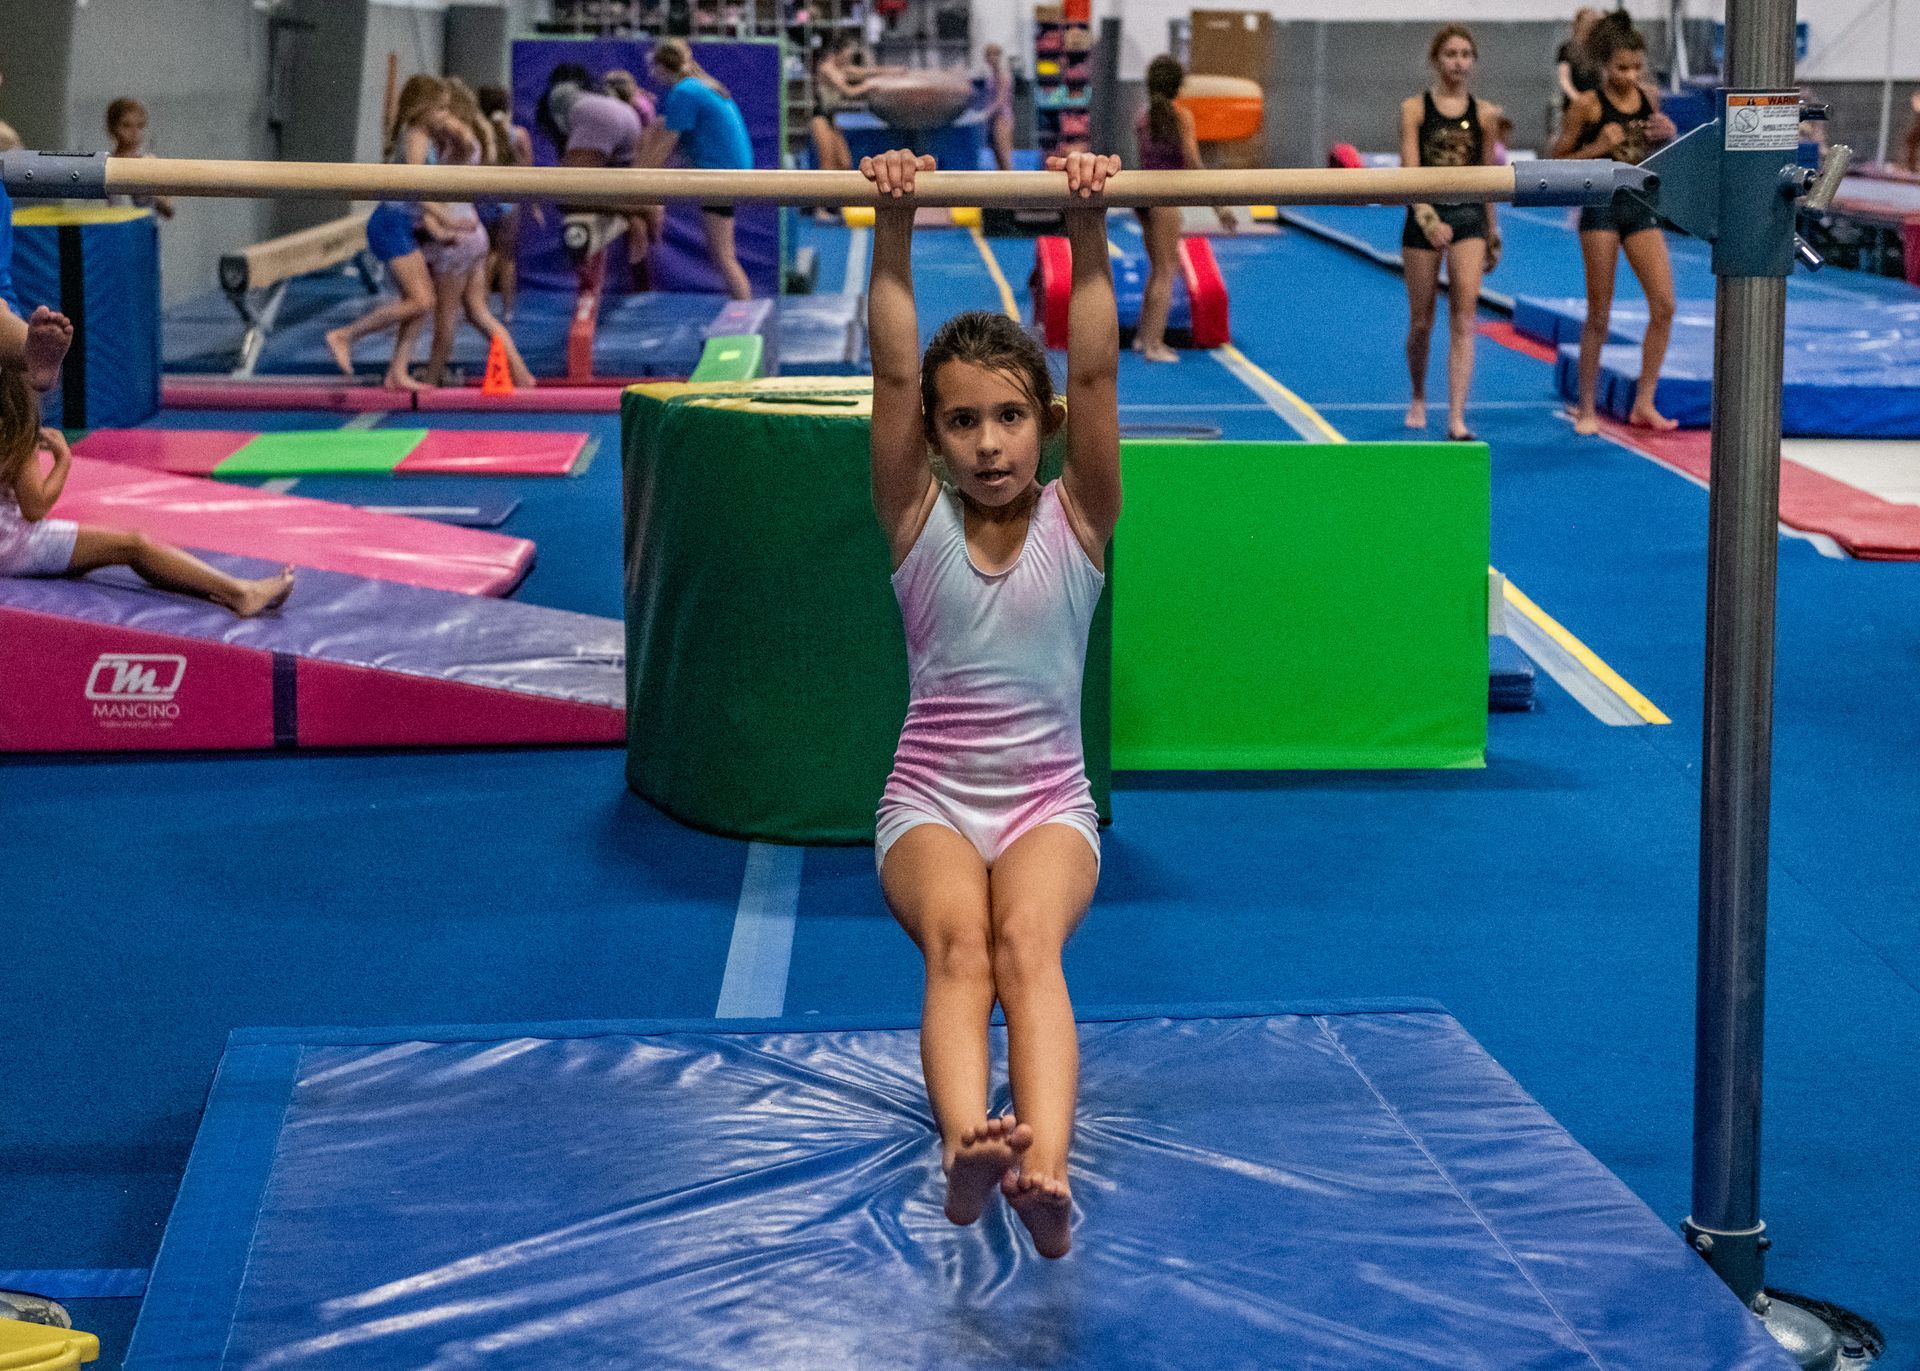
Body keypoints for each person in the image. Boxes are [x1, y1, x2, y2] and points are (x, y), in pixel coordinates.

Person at [863, 146, 1122, 1260]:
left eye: (1009, 417)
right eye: (962, 423)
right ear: (934, 437)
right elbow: (887, 375)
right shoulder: (915, 519)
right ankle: (971, 1150)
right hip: (926, 799)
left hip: (1048, 803)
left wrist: (1087, 222)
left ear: (1045, 423)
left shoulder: (1084, 519)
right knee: (960, 947)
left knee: (1027, 945)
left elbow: (1102, 373)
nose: (987, 443)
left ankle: (1046, 1175)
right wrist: (894, 222)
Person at [0, 368, 292, 614]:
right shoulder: (14, 430)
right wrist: (63, 459)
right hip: (15, 548)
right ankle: (241, 592)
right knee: (134, 544)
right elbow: (35, 508)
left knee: (107, 547)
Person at [1552, 12, 1678, 434]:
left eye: (1636, 67)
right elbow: (1554, 164)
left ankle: (1644, 401)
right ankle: (1586, 407)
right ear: (1604, 65)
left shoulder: (1648, 98)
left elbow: (1661, 153)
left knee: (1664, 305)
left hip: (1640, 205)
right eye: (1622, 68)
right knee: (1599, 313)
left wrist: (1669, 135)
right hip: (1601, 207)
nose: (1630, 75)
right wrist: (1598, 148)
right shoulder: (1587, 105)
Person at [1400, 25, 1504, 441]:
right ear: (1436, 60)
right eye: (1450, 54)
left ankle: (1457, 417)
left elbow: (1488, 176)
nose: (1459, 62)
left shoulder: (1485, 114)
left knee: (1463, 317)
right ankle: (1419, 395)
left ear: (1473, 61)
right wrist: (1426, 217)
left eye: (1465, 54)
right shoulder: (1415, 109)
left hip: (1467, 218)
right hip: (1424, 215)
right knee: (1422, 321)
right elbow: (1409, 171)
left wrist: (1493, 230)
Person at [324, 75, 457, 390]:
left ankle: (397, 371)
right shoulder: (416, 136)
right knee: (422, 301)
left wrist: (437, 227)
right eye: (439, 109)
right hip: (389, 224)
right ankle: (345, 335)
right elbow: (414, 185)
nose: (444, 116)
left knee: (422, 300)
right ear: (421, 109)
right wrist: (441, 215)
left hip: (399, 223)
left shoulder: (423, 137)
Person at [421, 82, 536, 391]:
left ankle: (430, 382)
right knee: (477, 313)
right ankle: (521, 373)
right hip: (472, 229)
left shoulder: (461, 134)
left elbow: (453, 135)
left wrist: (430, 120)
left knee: (446, 315)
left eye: (443, 108)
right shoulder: (480, 131)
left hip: (457, 234)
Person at [1132, 55, 1234, 363]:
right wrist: (1219, 206)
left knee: (1157, 269)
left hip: (1143, 196)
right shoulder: (1181, 117)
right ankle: (1154, 345)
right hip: (1166, 198)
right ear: (1179, 86)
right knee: (1167, 270)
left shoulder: (1142, 116)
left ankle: (1141, 337)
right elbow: (1193, 161)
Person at [640, 39, 755, 300]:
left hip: (721, 174)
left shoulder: (684, 92)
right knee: (724, 254)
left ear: (660, 67)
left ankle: (744, 310)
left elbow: (667, 146)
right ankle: (743, 306)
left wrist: (637, 182)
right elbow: (668, 138)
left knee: (723, 255)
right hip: (727, 168)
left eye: (653, 69)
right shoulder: (700, 85)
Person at [536, 64, 658, 291]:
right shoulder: (596, 92)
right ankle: (637, 208)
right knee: (588, 192)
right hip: (626, 117)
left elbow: (564, 153)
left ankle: (637, 206)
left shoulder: (558, 100)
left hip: (601, 118)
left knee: (567, 196)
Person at [477, 84, 536, 320]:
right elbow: (528, 170)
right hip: (508, 201)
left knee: (486, 254)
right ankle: (508, 310)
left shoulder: (480, 134)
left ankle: (480, 307)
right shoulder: (518, 134)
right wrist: (534, 204)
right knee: (506, 257)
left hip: (485, 197)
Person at [104, 97, 175, 220]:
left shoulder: (149, 162)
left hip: (143, 232)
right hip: (114, 231)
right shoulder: (105, 164)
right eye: (127, 125)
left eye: (140, 126)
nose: (134, 132)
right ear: (112, 128)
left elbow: (168, 210)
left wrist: (154, 184)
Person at [1555, 9, 1602, 119]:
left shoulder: (1601, 49)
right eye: (1586, 22)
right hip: (1575, 103)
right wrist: (1578, 99)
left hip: (1598, 104)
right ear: (1578, 24)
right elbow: (1564, 79)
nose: (1589, 25)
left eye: (1593, 22)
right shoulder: (1567, 49)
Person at [983, 44, 1015, 173]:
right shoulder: (991, 76)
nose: (992, 58)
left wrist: (984, 113)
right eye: (989, 55)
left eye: (994, 55)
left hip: (1002, 118)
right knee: (997, 159)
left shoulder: (1004, 76)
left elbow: (1001, 101)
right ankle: (1001, 191)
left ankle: (1012, 190)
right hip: (993, 118)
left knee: (1004, 156)